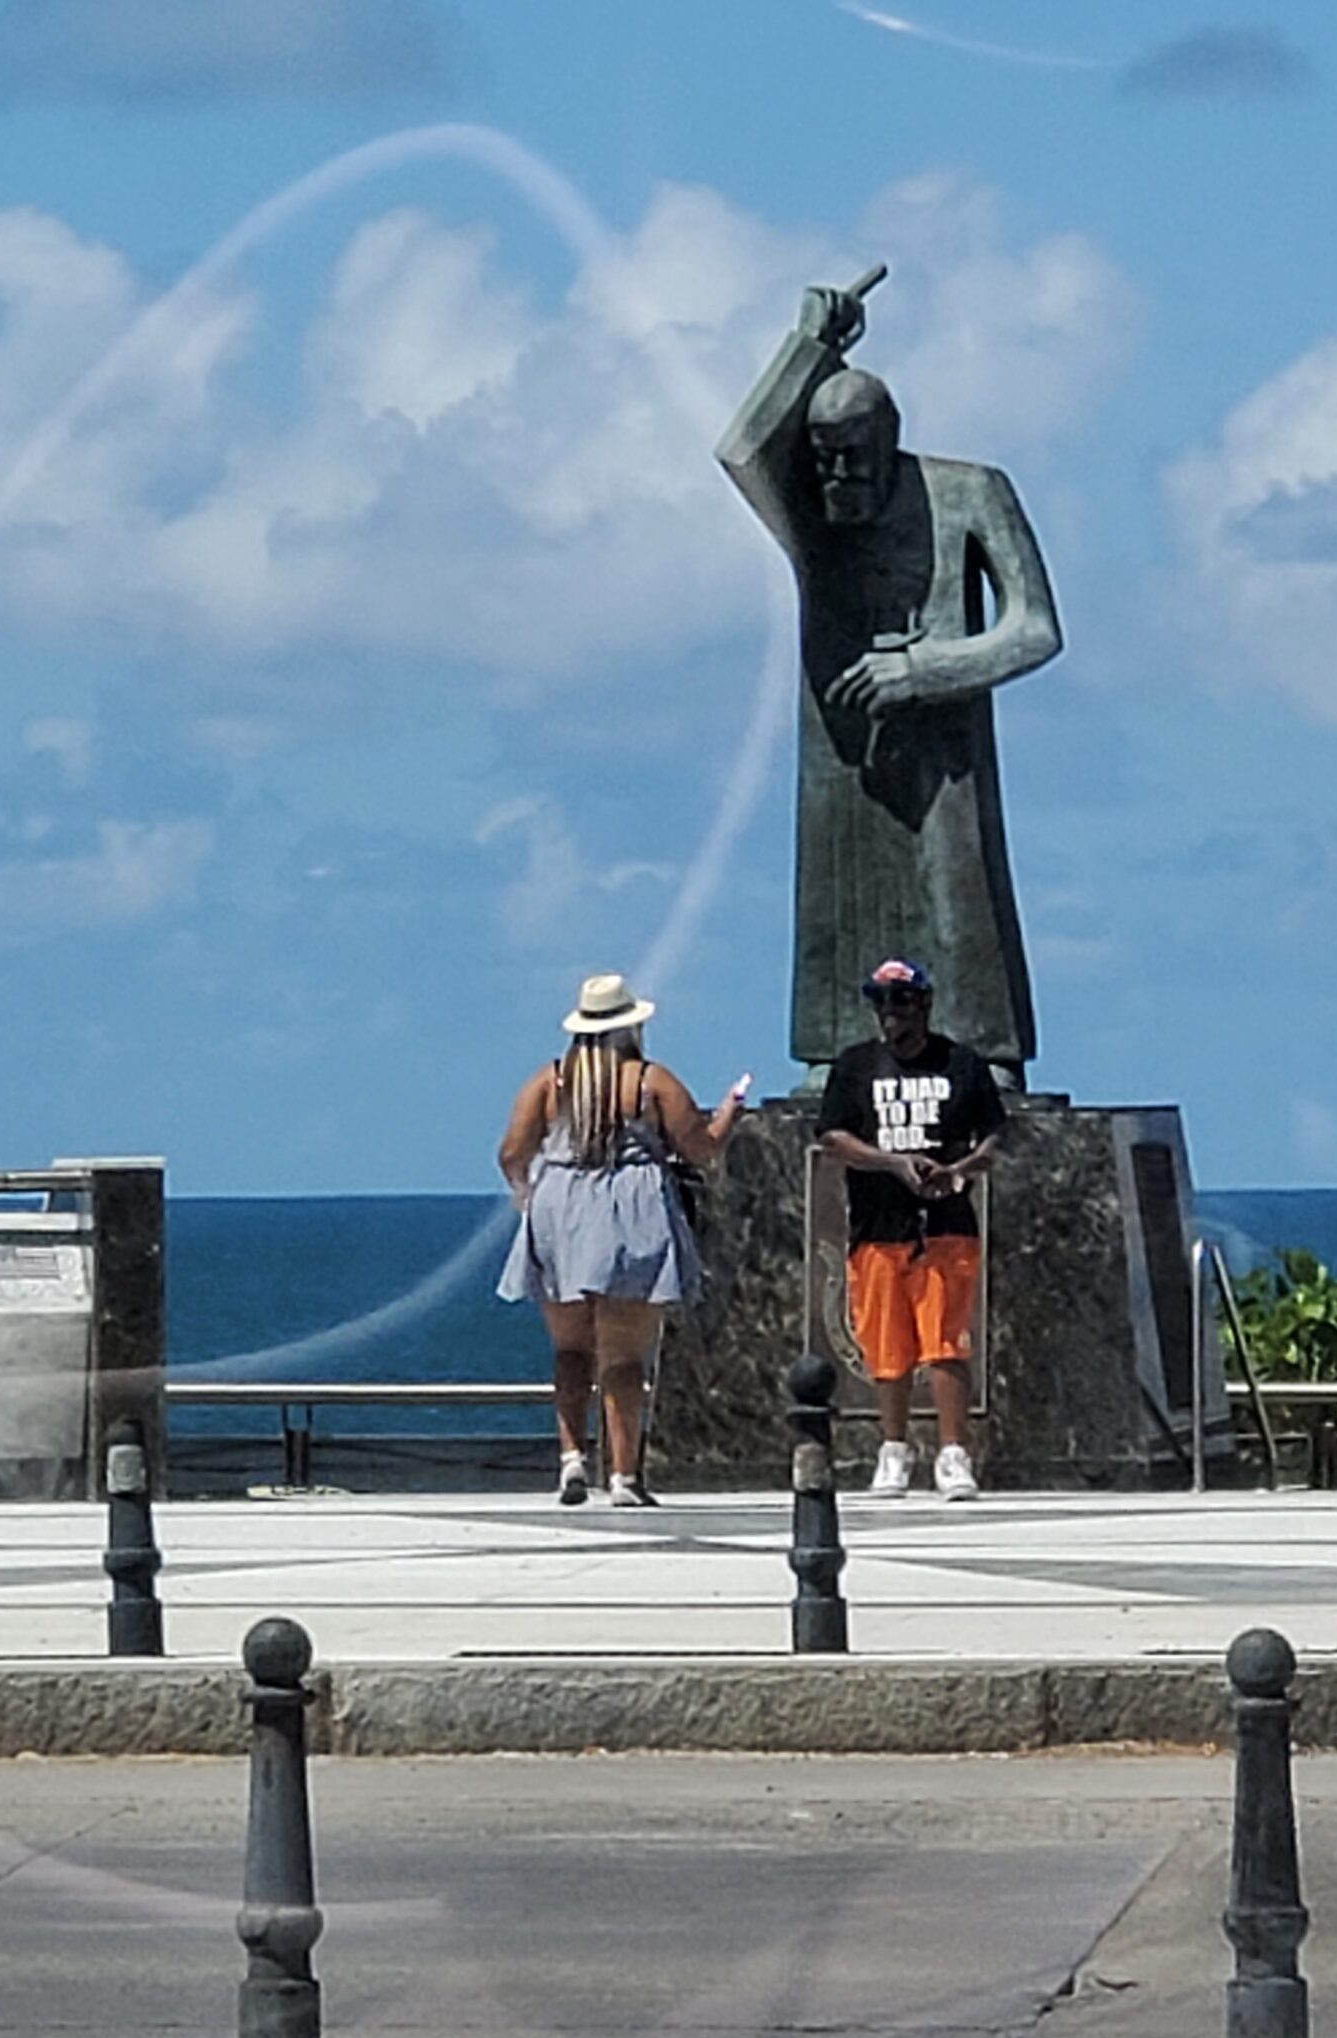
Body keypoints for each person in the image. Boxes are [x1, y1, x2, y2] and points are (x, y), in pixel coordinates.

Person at [717, 270, 1062, 1086]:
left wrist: (925, 669)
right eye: (823, 462)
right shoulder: (809, 514)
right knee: (841, 896)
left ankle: (987, 1055)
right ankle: (838, 1055)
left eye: (852, 461)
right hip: (841, 746)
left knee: (960, 891)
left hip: (942, 740)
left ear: (888, 442)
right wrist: (812, 344)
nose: (837, 481)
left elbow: (1037, 630)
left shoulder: (969, 491)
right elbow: (739, 449)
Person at [497, 972, 745, 1507]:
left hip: (561, 1208)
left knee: (570, 1346)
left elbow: (513, 1152)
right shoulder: (649, 1081)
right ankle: (625, 1475)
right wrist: (728, 1114)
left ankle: (570, 1458)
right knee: (625, 1353)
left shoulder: (550, 1081)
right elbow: (699, 1147)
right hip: (631, 1211)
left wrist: (527, 1197)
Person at [816, 956, 1006, 1500]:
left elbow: (994, 1134)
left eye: (900, 1001)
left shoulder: (961, 1064)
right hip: (877, 1225)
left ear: (923, 1004)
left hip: (944, 1224)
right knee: (886, 1345)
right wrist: (890, 1162)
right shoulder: (855, 1067)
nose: (890, 1014)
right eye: (881, 1002)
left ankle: (953, 1452)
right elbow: (832, 1136)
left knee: (944, 1343)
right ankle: (893, 1449)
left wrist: (959, 1170)